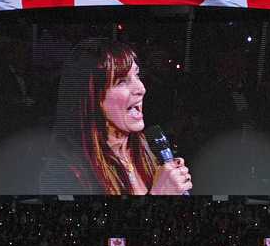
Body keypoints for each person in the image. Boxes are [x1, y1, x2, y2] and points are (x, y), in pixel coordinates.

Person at [40, 38, 193, 195]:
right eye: (121, 81)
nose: (141, 88)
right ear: (92, 97)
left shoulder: (149, 149)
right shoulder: (65, 172)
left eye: (137, 75)